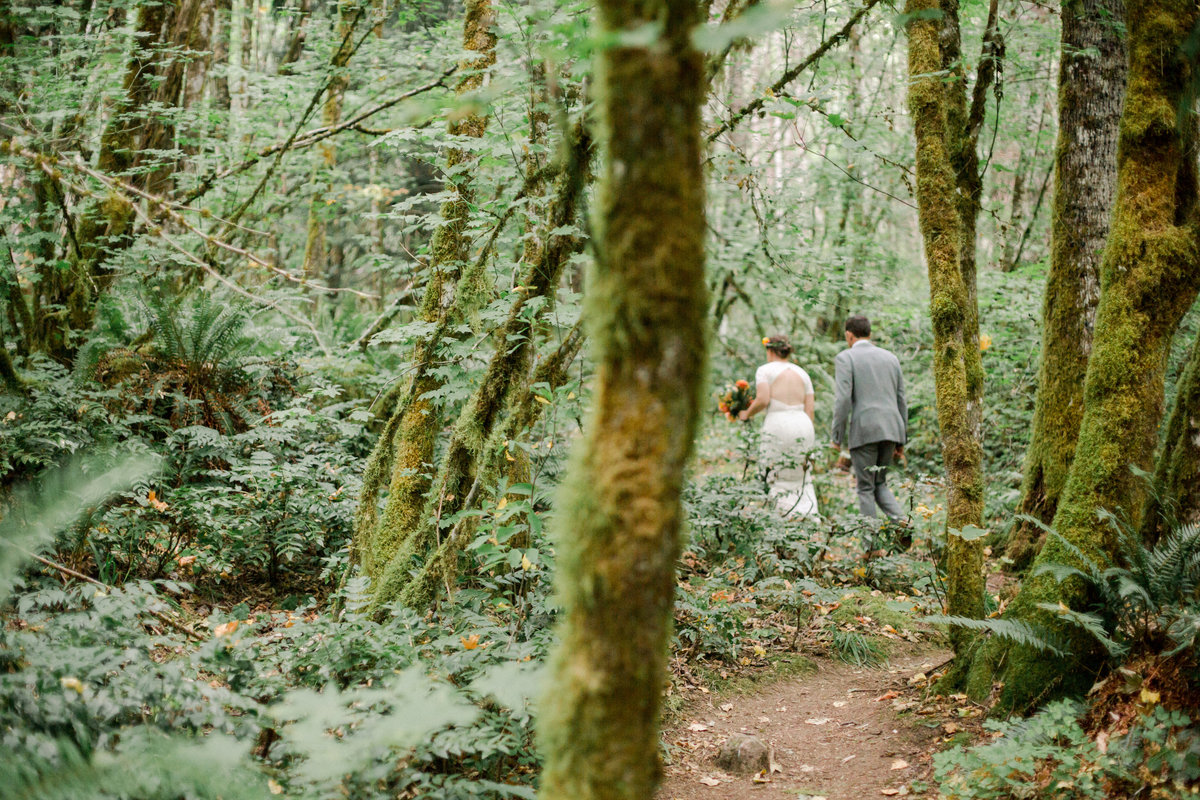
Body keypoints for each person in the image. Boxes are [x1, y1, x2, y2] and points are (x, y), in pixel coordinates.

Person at [831, 315, 907, 520]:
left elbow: (843, 400)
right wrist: (902, 438)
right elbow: (901, 400)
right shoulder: (891, 358)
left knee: (865, 488)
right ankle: (902, 523)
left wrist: (836, 437)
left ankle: (870, 546)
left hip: (865, 431)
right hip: (892, 429)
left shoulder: (845, 358)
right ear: (869, 334)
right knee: (880, 483)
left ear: (849, 335)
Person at [739, 334, 820, 519]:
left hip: (778, 424)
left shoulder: (765, 370)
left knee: (776, 471)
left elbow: (763, 399)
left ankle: (781, 517)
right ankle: (806, 514)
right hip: (803, 424)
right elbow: (810, 409)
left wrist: (746, 413)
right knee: (801, 473)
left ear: (770, 350)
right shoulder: (803, 373)